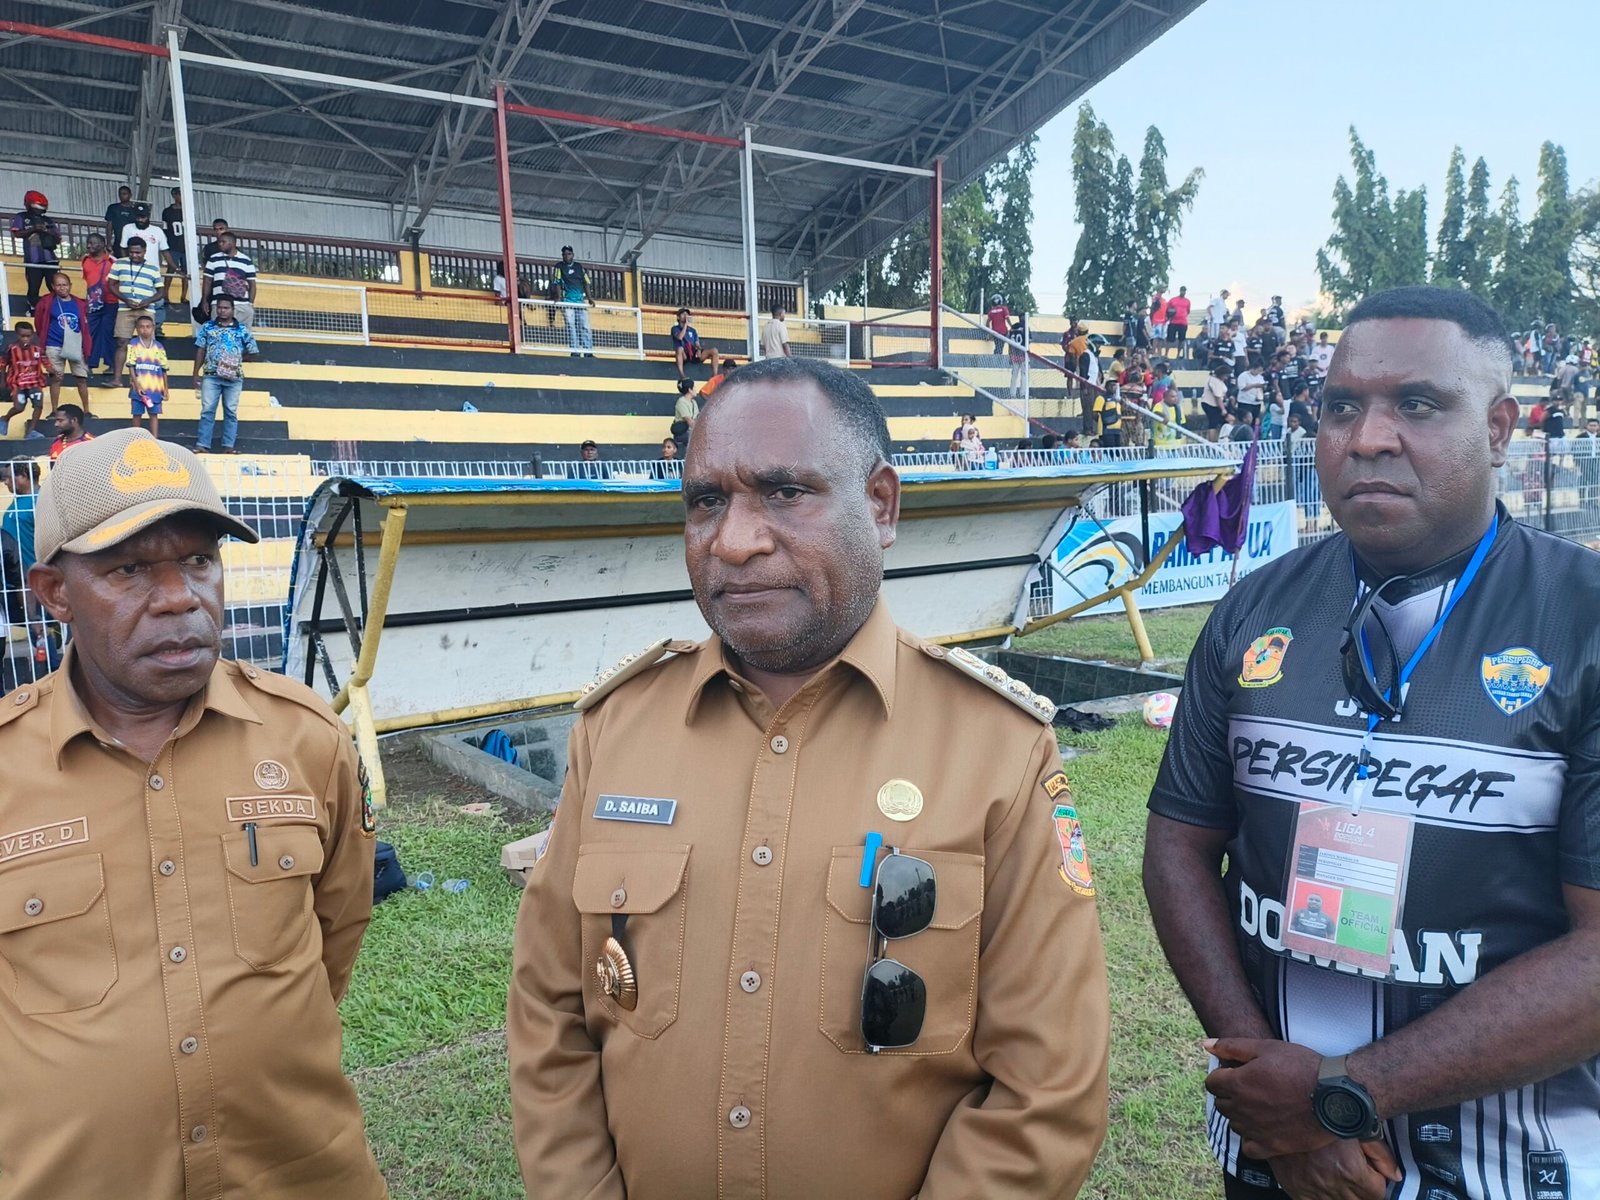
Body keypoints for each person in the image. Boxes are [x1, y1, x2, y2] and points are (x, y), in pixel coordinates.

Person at [507, 355, 1110, 1199]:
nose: (734, 540)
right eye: (705, 501)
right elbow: (550, 1014)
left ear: (881, 504)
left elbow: (1047, 1085)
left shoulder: (996, 749)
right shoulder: (616, 731)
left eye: (785, 492)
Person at [1145, 285, 1600, 1200]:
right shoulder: (1254, 609)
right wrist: (1273, 1092)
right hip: (1274, 1158)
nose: (1368, 438)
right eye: (1341, 407)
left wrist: (1343, 1096)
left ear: (1500, 428)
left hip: (1513, 1170)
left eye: (1418, 404)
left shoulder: (1583, 621)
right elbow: (1177, 850)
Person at [4, 428, 387, 1198]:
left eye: (200, 561)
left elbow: (334, 933)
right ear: (54, 592)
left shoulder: (305, 737)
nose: (180, 596)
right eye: (130, 569)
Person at [193, 297, 261, 454]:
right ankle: (202, 444)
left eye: (226, 308)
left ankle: (229, 446)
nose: (222, 311)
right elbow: (200, 349)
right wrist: (195, 372)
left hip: (234, 378)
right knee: (207, 410)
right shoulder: (208, 327)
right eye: (220, 308)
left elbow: (254, 352)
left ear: (233, 310)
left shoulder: (242, 329)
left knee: (231, 411)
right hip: (211, 375)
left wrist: (235, 360)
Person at [34, 272, 95, 417]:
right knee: (56, 378)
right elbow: (39, 323)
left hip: (75, 345)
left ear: (70, 286)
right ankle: (54, 411)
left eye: (65, 285)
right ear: (53, 286)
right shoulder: (46, 302)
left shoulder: (79, 303)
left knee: (81, 378)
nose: (62, 288)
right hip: (53, 344)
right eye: (58, 285)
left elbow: (85, 325)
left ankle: (87, 411)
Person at [107, 237, 164, 389]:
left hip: (146, 309)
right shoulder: (119, 263)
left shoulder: (153, 268)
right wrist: (125, 299)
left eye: (138, 252)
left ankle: (148, 380)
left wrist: (147, 301)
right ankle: (117, 379)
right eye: (131, 252)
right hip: (125, 309)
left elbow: (161, 292)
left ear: (145, 251)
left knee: (148, 344)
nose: (134, 255)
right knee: (121, 342)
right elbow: (111, 285)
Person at [119, 205, 172, 329]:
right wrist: (126, 264)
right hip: (132, 273)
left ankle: (157, 328)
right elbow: (123, 248)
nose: (140, 220)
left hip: (152, 273)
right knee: (131, 302)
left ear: (148, 216)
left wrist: (175, 268)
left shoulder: (157, 231)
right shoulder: (127, 228)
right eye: (138, 217)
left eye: (143, 217)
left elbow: (165, 251)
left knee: (158, 302)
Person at [12, 190, 61, 308]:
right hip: (33, 261)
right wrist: (34, 229)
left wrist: (46, 230)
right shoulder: (21, 216)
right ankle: (33, 309)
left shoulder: (48, 220)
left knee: (54, 287)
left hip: (50, 260)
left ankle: (57, 308)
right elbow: (17, 233)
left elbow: (58, 238)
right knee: (33, 288)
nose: (40, 210)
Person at [80, 231, 118, 382]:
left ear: (102, 245)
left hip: (111, 302)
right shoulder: (85, 260)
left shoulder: (113, 261)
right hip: (93, 303)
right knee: (90, 333)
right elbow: (88, 280)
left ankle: (111, 364)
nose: (89, 246)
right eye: (88, 243)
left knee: (108, 333)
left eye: (93, 243)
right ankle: (90, 363)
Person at [202, 230, 258, 329]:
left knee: (242, 335)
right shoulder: (213, 258)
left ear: (232, 243)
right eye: (219, 242)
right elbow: (207, 281)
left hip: (241, 305)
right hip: (220, 305)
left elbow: (252, 284)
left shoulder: (246, 260)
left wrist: (250, 304)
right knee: (218, 334)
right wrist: (205, 300)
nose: (220, 244)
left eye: (223, 242)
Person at [2, 321, 48, 439]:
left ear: (32, 335)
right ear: (17, 335)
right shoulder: (11, 349)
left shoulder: (37, 349)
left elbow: (45, 360)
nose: (26, 339)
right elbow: (3, 365)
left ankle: (31, 431)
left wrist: (52, 370)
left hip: (35, 382)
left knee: (38, 405)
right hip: (18, 384)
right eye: (23, 336)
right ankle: (5, 418)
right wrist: (2, 380)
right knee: (19, 407)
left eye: (28, 336)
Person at [126, 313, 168, 438]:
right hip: (138, 388)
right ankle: (135, 439)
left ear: (153, 328)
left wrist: (166, 388)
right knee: (137, 414)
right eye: (142, 327)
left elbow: (164, 369)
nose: (145, 329)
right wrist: (137, 385)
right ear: (136, 328)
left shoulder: (159, 346)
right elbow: (131, 366)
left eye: (148, 327)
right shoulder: (133, 344)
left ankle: (155, 439)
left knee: (154, 414)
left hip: (155, 388)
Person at [554, 245, 594, 356]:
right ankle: (575, 352)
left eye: (569, 254)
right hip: (567, 301)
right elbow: (557, 282)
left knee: (585, 326)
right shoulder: (559, 267)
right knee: (571, 326)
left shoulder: (579, 267)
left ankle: (588, 352)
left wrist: (589, 298)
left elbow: (586, 282)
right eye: (564, 254)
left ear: (573, 255)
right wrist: (559, 297)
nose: (566, 256)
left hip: (580, 302)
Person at [671, 307, 719, 379]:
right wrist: (685, 325)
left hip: (693, 353)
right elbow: (680, 337)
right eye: (683, 314)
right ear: (678, 317)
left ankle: (714, 376)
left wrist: (699, 350)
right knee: (679, 349)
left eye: (687, 314)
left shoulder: (693, 330)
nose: (685, 316)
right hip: (684, 355)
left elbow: (697, 343)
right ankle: (681, 374)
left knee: (714, 350)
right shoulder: (675, 328)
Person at [161, 186, 189, 305]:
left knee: (186, 271)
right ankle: (165, 295)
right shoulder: (167, 211)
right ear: (174, 195)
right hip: (173, 245)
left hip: (186, 246)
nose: (181, 197)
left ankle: (184, 296)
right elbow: (165, 228)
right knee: (171, 269)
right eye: (179, 194)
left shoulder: (188, 210)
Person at [104, 185, 140, 255]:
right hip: (118, 240)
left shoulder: (135, 210)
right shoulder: (113, 208)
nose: (122, 196)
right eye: (120, 194)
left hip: (132, 241)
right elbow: (109, 225)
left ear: (130, 195)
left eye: (124, 194)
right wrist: (108, 242)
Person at [1093, 381, 1125, 447]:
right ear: (1106, 387)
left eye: (1115, 385)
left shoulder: (1117, 399)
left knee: (1117, 451)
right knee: (1109, 449)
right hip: (1106, 431)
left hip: (1117, 431)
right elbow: (1095, 414)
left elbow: (1120, 412)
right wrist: (1103, 422)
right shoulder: (1101, 398)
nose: (1114, 387)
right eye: (1111, 385)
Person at [671, 378, 699, 446]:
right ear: (690, 390)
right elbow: (689, 420)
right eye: (694, 387)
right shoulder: (681, 402)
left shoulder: (693, 402)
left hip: (690, 431)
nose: (696, 389)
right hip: (683, 433)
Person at [1167, 285, 1192, 358]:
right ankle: (1166, 354)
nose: (1183, 292)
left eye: (1184, 291)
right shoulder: (1173, 300)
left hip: (1183, 322)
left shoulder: (1187, 301)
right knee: (1170, 339)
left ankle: (1178, 355)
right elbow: (1168, 309)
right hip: (1173, 322)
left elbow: (1188, 311)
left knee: (1181, 339)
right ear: (1180, 291)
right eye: (1182, 290)